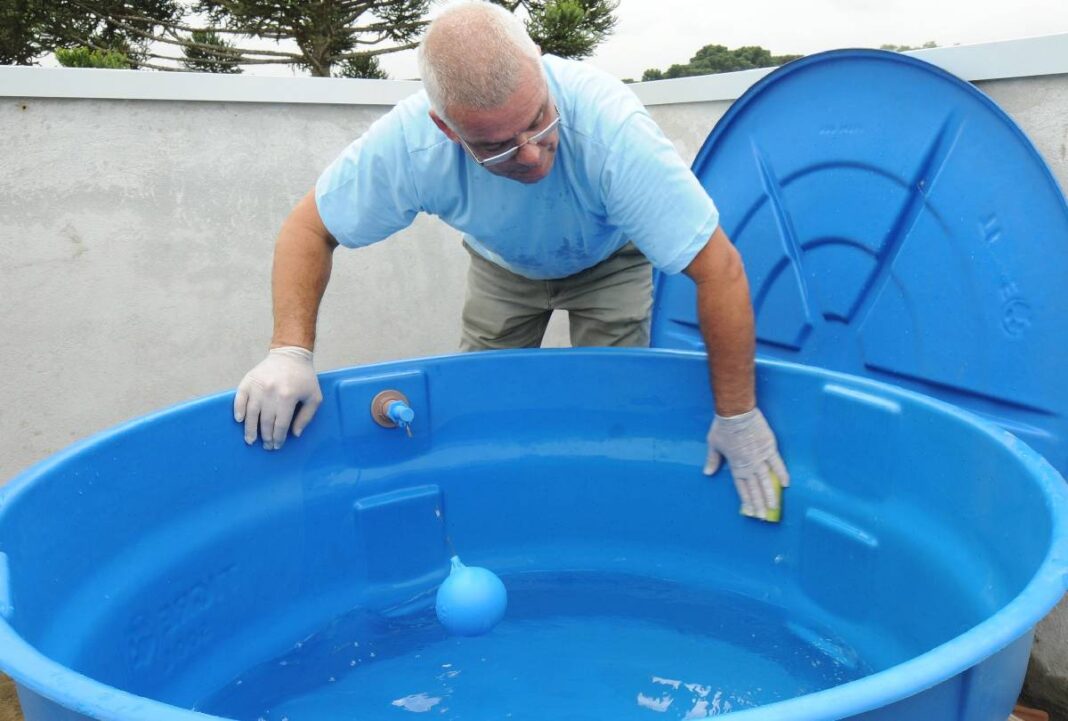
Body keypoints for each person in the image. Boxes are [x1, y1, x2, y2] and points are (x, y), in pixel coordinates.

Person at [233, 0, 789, 521]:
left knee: (613, 397)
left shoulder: (609, 128)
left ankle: (604, 508)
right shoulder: (409, 147)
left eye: (540, 121)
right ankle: (501, 512)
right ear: (447, 130)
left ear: (543, 74)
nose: (530, 153)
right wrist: (289, 351)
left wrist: (738, 415)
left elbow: (719, 268)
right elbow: (310, 227)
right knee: (483, 398)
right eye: (497, 146)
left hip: (610, 258)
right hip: (503, 267)